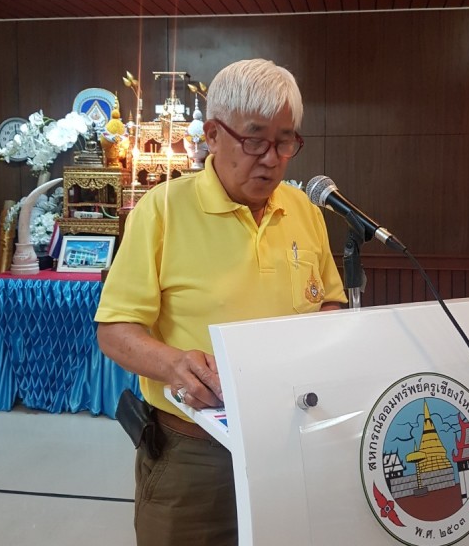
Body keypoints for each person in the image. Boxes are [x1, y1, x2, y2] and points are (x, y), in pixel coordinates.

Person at [95, 58, 347, 546]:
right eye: (254, 140)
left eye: (285, 141)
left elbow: (329, 304)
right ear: (213, 134)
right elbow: (115, 330)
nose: (271, 159)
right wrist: (175, 365)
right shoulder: (162, 210)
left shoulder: (303, 210)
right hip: (194, 455)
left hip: (292, 443)